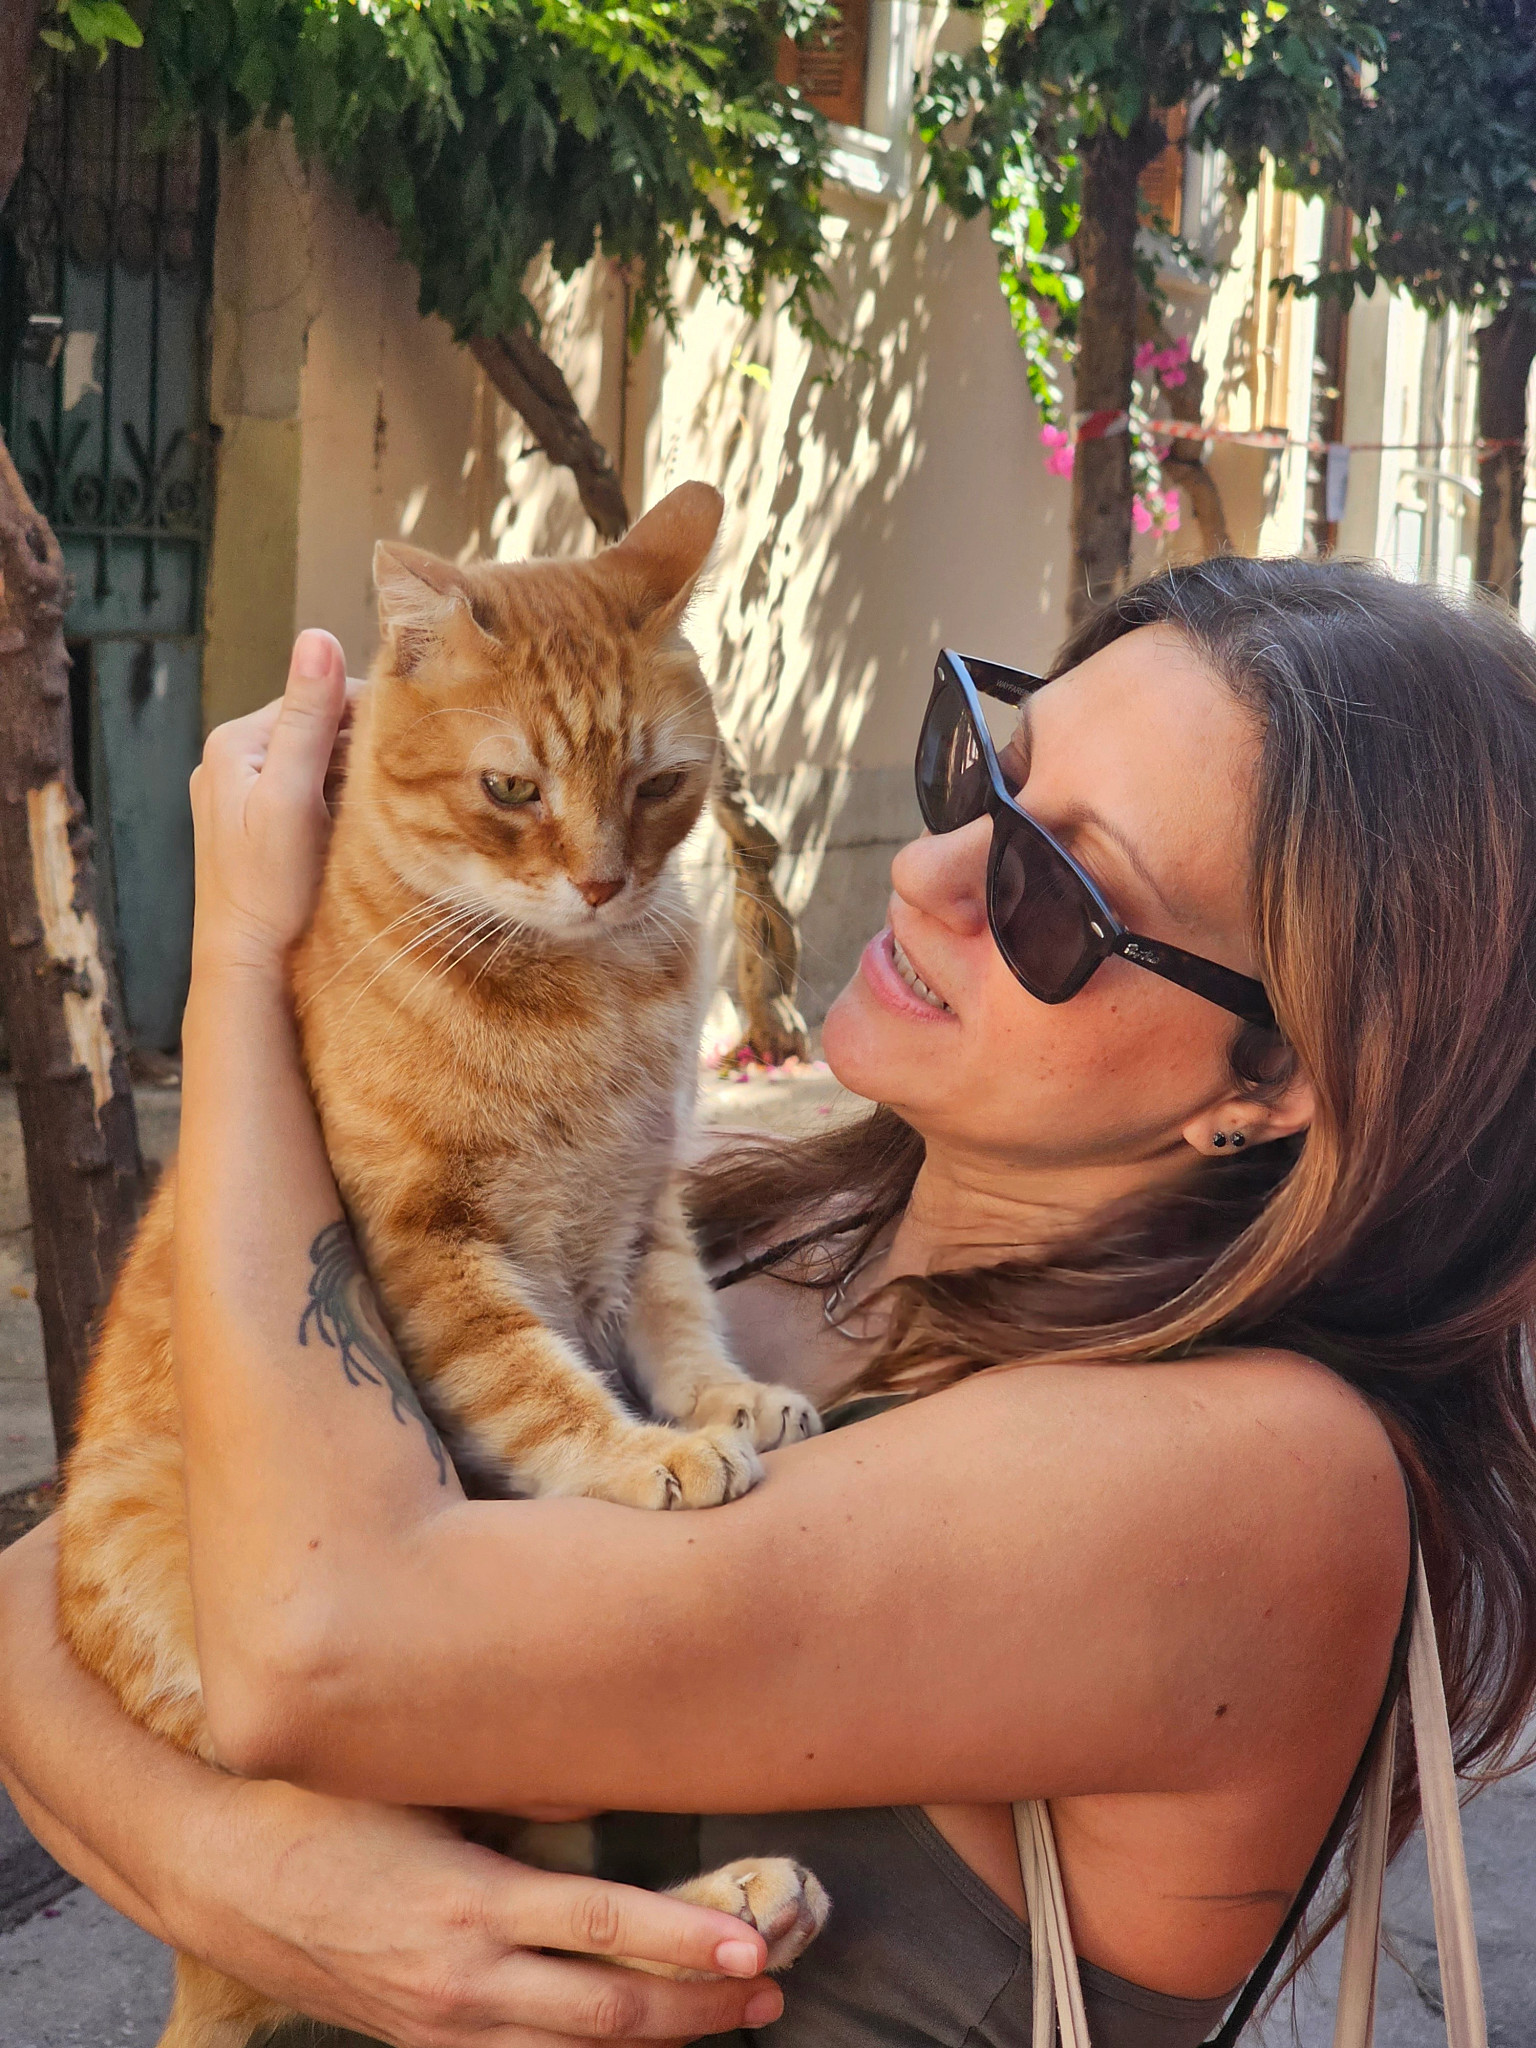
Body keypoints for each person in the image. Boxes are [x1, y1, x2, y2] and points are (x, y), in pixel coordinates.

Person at [3, 556, 1535, 2048]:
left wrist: (245, 957)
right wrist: (260, 1883)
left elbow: (308, 1643)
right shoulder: (766, 1217)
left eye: (1055, 887)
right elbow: (40, 1598)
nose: (931, 873)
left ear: (1274, 1078)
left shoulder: (1255, 1479)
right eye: (977, 769)